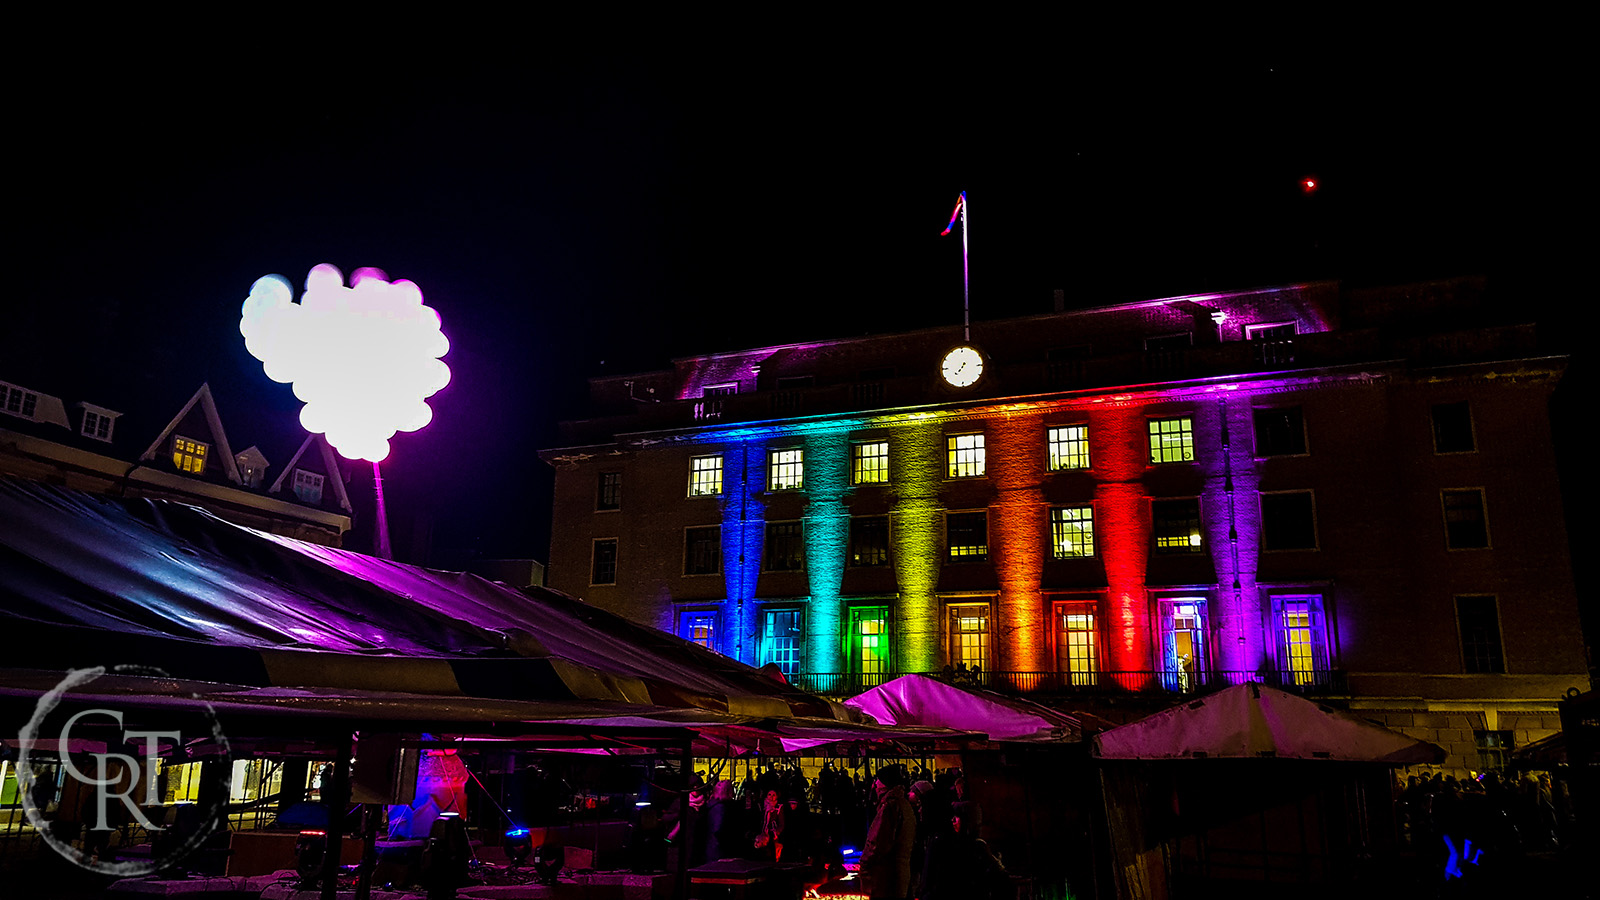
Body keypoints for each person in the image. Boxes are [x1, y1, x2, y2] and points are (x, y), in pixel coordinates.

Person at [921, 801, 1007, 900]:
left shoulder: (978, 847)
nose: (953, 820)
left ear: (967, 820)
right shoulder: (950, 843)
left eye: (957, 817)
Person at [861, 766, 916, 900]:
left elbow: (879, 841)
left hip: (886, 875)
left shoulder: (890, 807)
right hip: (899, 872)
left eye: (878, 780)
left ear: (885, 783)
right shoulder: (904, 804)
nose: (875, 784)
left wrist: (865, 864)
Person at [754, 788, 788, 861]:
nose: (771, 797)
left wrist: (776, 832)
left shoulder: (778, 807)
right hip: (761, 832)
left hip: (772, 833)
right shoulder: (761, 805)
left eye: (773, 795)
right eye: (769, 795)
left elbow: (781, 823)